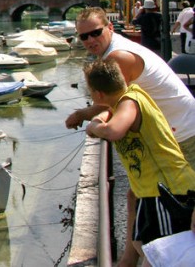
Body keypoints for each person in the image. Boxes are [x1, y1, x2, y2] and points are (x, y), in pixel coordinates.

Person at [66, 7, 195, 266]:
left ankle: (145, 257)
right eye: (84, 37)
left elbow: (111, 103)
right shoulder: (111, 53)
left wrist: (85, 116)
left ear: (110, 29)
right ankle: (128, 258)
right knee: (137, 195)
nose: (90, 40)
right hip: (168, 133)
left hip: (183, 133)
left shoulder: (117, 58)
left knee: (182, 209)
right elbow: (111, 105)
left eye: (95, 33)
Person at [83, 59, 195, 260]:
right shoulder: (121, 102)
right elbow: (110, 114)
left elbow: (113, 130)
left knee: (167, 255)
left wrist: (93, 127)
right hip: (150, 191)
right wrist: (99, 117)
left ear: (98, 94)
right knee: (142, 245)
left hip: (167, 191)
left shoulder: (130, 101)